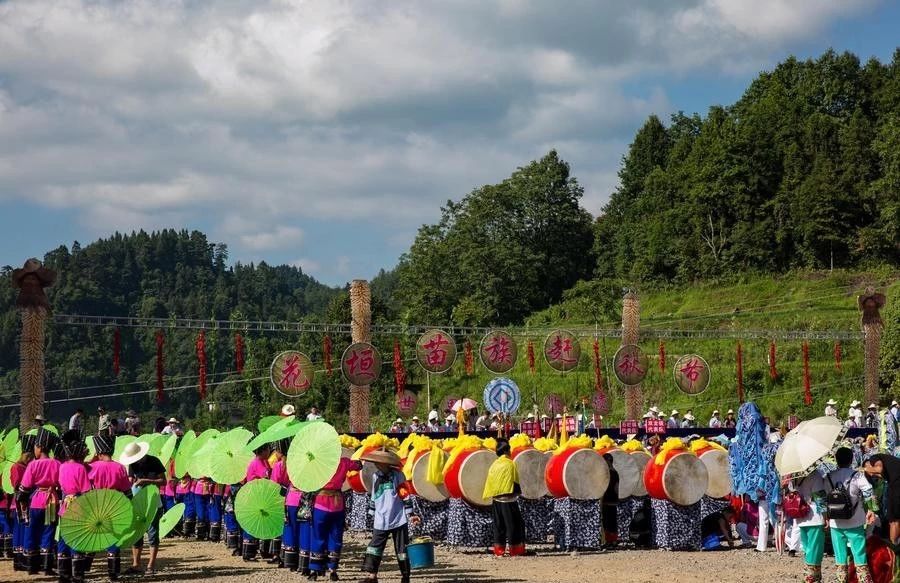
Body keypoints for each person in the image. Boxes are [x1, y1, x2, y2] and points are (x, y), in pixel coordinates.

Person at [358, 449, 420, 583]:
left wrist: (411, 514)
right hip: (381, 518)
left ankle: (405, 576)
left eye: (378, 463)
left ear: (386, 464)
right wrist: (372, 512)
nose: (376, 465)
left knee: (402, 548)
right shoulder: (375, 476)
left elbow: (405, 494)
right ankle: (372, 576)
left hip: (398, 517)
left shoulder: (398, 476)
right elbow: (374, 495)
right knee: (375, 546)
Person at [827, 447, 877, 583]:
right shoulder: (857, 475)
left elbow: (822, 496)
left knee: (840, 556)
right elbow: (868, 491)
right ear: (851, 460)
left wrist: (824, 516)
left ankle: (841, 579)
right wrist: (872, 510)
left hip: (835, 522)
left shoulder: (829, 477)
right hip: (855, 520)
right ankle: (863, 580)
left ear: (836, 460)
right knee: (859, 555)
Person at [17, 428, 61, 576]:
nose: (34, 449)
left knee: (32, 532)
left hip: (36, 501)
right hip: (52, 501)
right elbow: (61, 485)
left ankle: (31, 566)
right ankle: (47, 567)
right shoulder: (56, 464)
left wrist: (22, 502)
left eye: (35, 446)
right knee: (48, 532)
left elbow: (24, 488)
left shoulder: (33, 465)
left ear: (40, 447)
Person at [89, 434, 132, 581]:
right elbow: (127, 491)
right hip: (114, 505)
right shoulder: (120, 467)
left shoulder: (92, 467)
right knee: (113, 537)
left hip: (96, 504)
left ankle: (84, 567)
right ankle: (113, 572)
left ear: (99, 453)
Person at [308, 453, 358, 580]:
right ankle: (333, 570)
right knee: (335, 537)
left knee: (318, 537)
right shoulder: (344, 462)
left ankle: (314, 570)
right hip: (337, 505)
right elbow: (358, 466)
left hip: (320, 504)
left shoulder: (319, 462)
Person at [119, 441, 166, 575]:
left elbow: (164, 481)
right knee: (136, 534)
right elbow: (130, 480)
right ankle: (136, 564)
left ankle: (151, 565)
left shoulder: (154, 461)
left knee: (152, 533)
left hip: (153, 502)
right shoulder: (132, 464)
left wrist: (147, 481)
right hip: (138, 502)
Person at [56, 430, 91, 583]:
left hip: (64, 506)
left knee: (63, 538)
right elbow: (86, 491)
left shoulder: (62, 467)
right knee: (77, 538)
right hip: (78, 505)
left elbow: (61, 486)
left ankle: (63, 574)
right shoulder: (81, 468)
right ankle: (77, 575)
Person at [482, 439, 525, 557]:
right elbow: (515, 480)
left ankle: (499, 550)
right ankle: (515, 550)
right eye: (509, 449)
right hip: (508, 499)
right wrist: (517, 493)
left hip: (496, 499)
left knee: (499, 525)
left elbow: (491, 481)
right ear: (506, 450)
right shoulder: (510, 463)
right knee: (513, 525)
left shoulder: (494, 465)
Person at [793, 471, 828, 583]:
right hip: (814, 517)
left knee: (808, 549)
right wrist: (826, 516)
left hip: (801, 517)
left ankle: (815, 578)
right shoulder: (815, 476)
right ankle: (809, 579)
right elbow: (820, 498)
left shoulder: (795, 476)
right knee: (815, 550)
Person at [241, 443, 272, 561]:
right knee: (253, 523)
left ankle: (261, 551)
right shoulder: (257, 462)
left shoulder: (264, 461)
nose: (270, 452)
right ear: (263, 450)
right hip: (254, 496)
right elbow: (266, 477)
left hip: (259, 496)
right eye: (268, 449)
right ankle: (248, 553)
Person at [10, 434, 35, 572]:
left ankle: (24, 559)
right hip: (20, 502)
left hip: (28, 500)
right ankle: (19, 560)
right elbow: (16, 485)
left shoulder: (27, 467)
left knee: (25, 528)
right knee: (19, 530)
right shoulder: (16, 467)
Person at [863, 453, 900, 543]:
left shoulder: (873, 458)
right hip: (896, 485)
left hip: (897, 486)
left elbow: (879, 469)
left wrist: (866, 469)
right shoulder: (890, 462)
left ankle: (894, 547)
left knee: (893, 520)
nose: (872, 475)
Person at [601, 453, 619, 547]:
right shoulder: (614, 472)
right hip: (611, 499)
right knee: (610, 521)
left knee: (609, 521)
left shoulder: (610, 473)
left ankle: (611, 540)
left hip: (609, 499)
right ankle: (611, 540)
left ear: (608, 461)